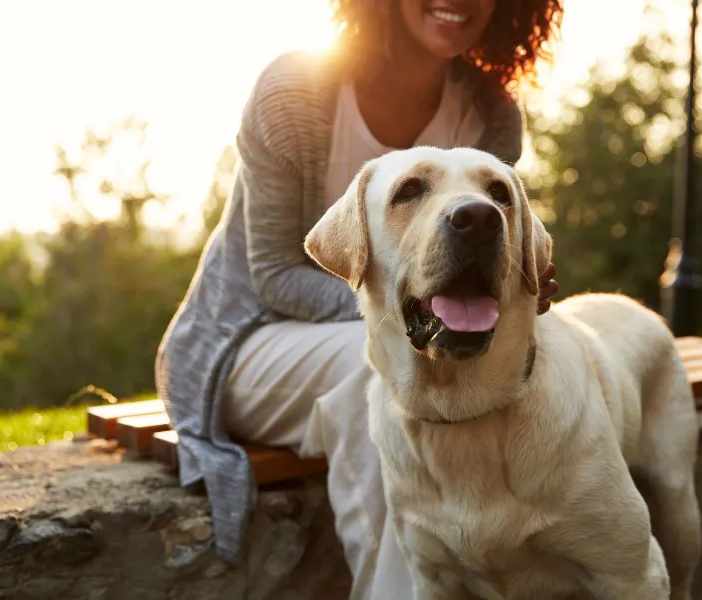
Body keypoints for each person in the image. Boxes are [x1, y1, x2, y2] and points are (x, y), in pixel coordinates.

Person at [155, 0, 562, 597]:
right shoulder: (294, 90)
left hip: (413, 337)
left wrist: (517, 290)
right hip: (246, 341)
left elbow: (483, 271)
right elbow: (273, 273)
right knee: (384, 371)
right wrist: (401, 315)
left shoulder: (491, 114)